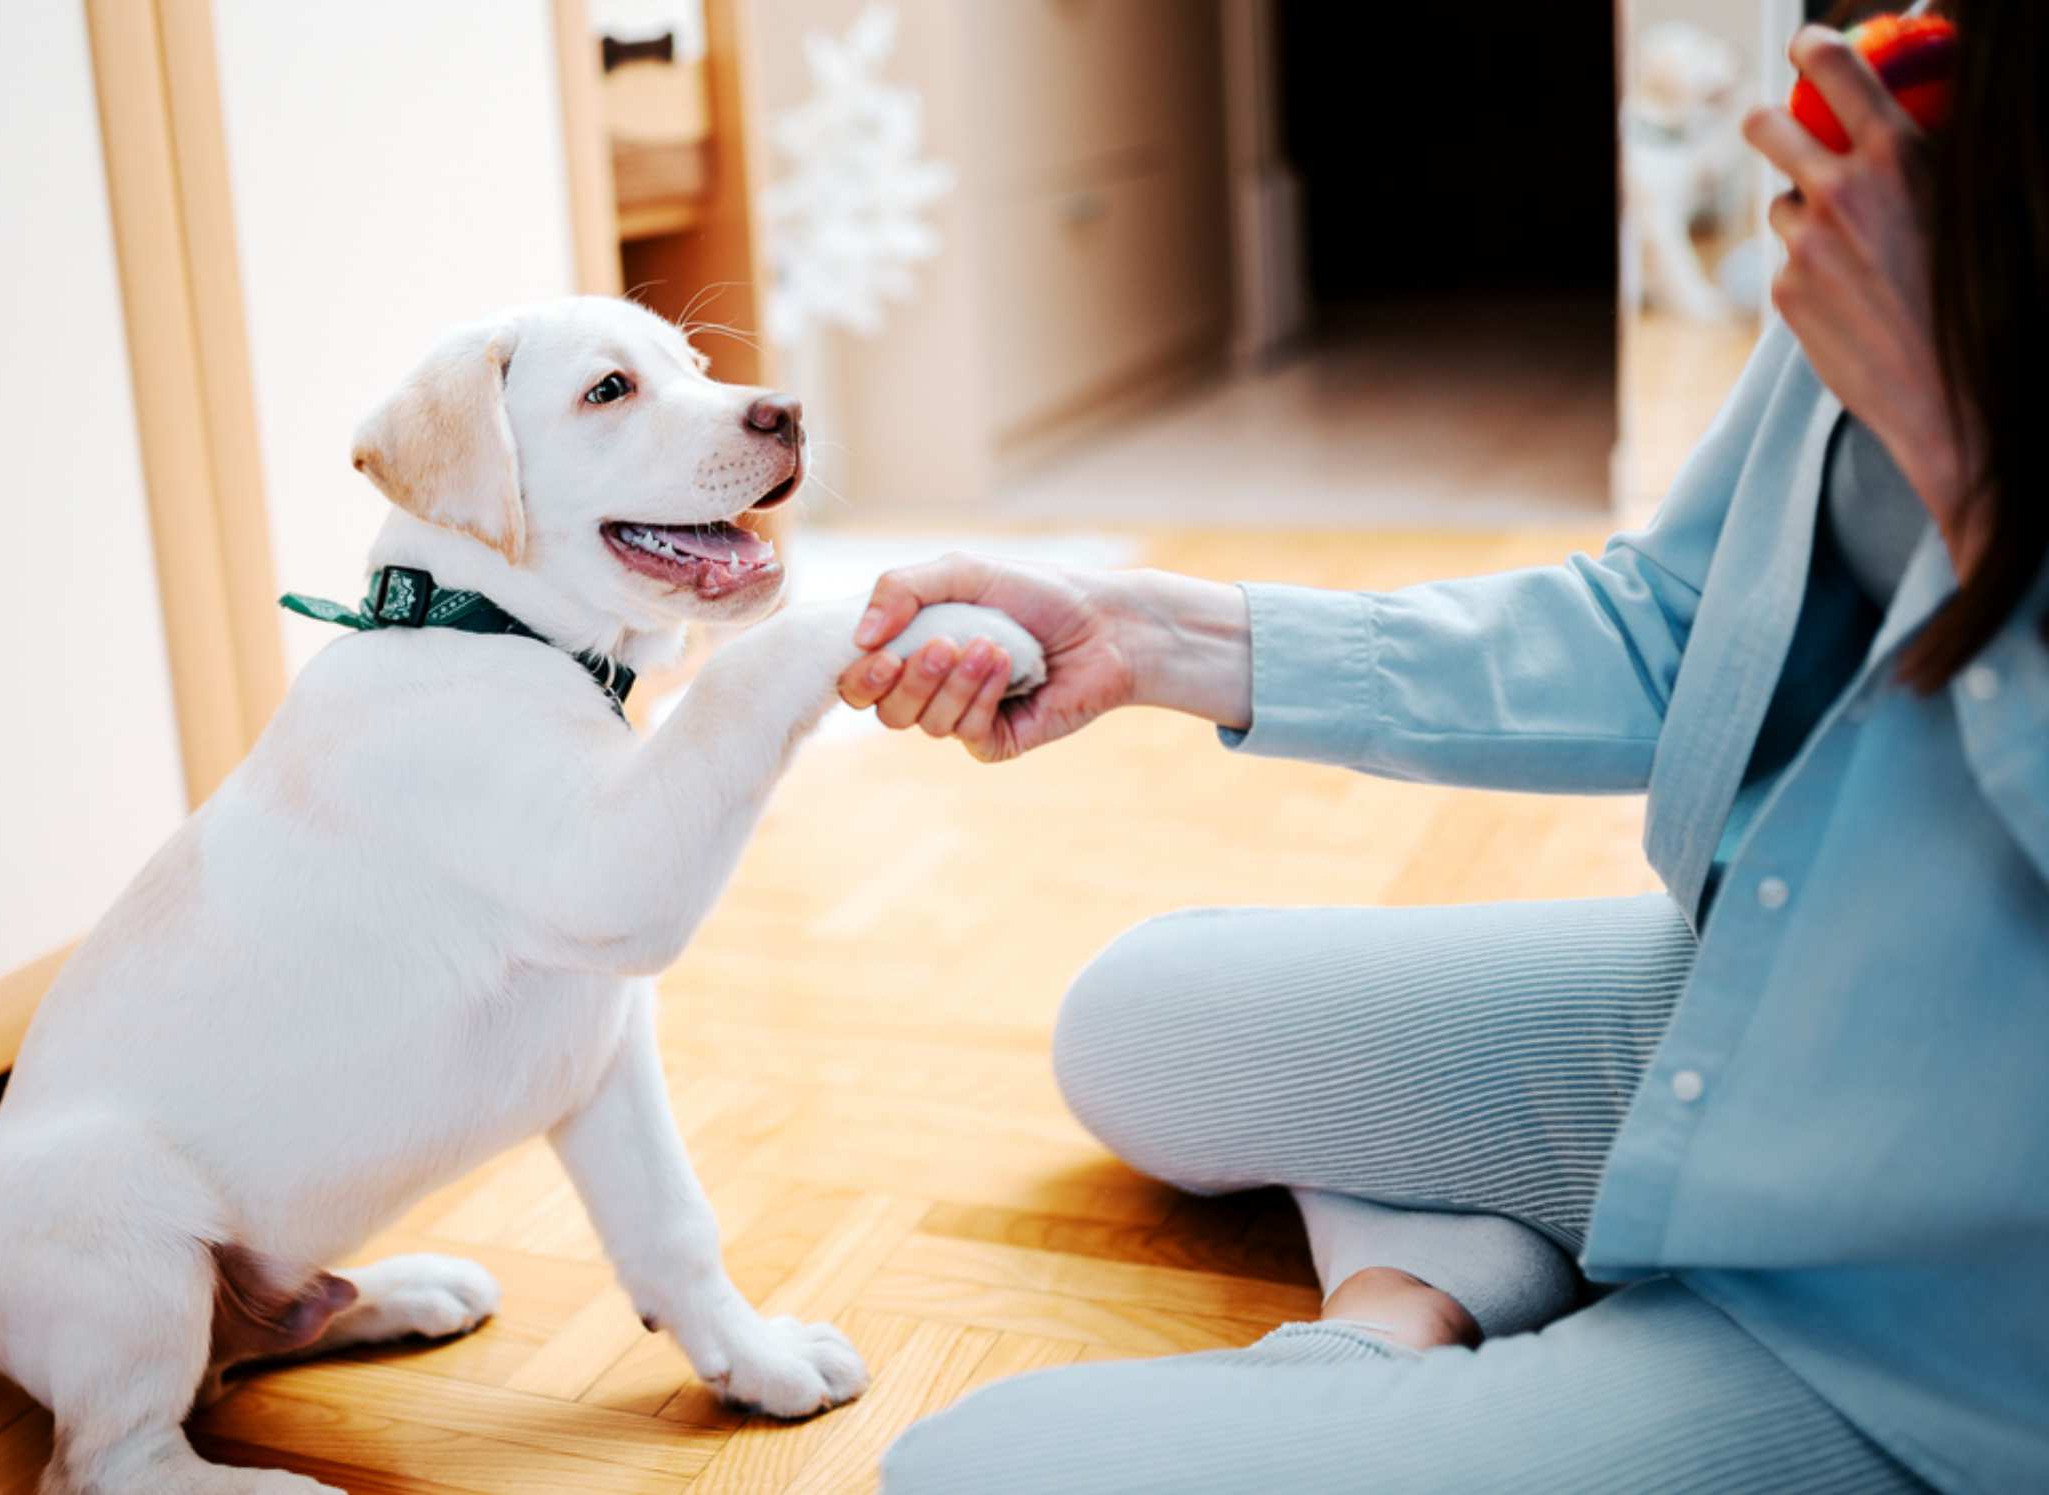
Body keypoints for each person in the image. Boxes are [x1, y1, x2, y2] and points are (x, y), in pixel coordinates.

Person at [852, 11, 2046, 1492]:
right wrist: (1150, 633)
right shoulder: (1932, 135)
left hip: (1960, 1300)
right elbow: (1674, 620)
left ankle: (1391, 1333)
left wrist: (1966, 464)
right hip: (1787, 999)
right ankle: (1457, 1282)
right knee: (1141, 1020)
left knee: (968, 1472)